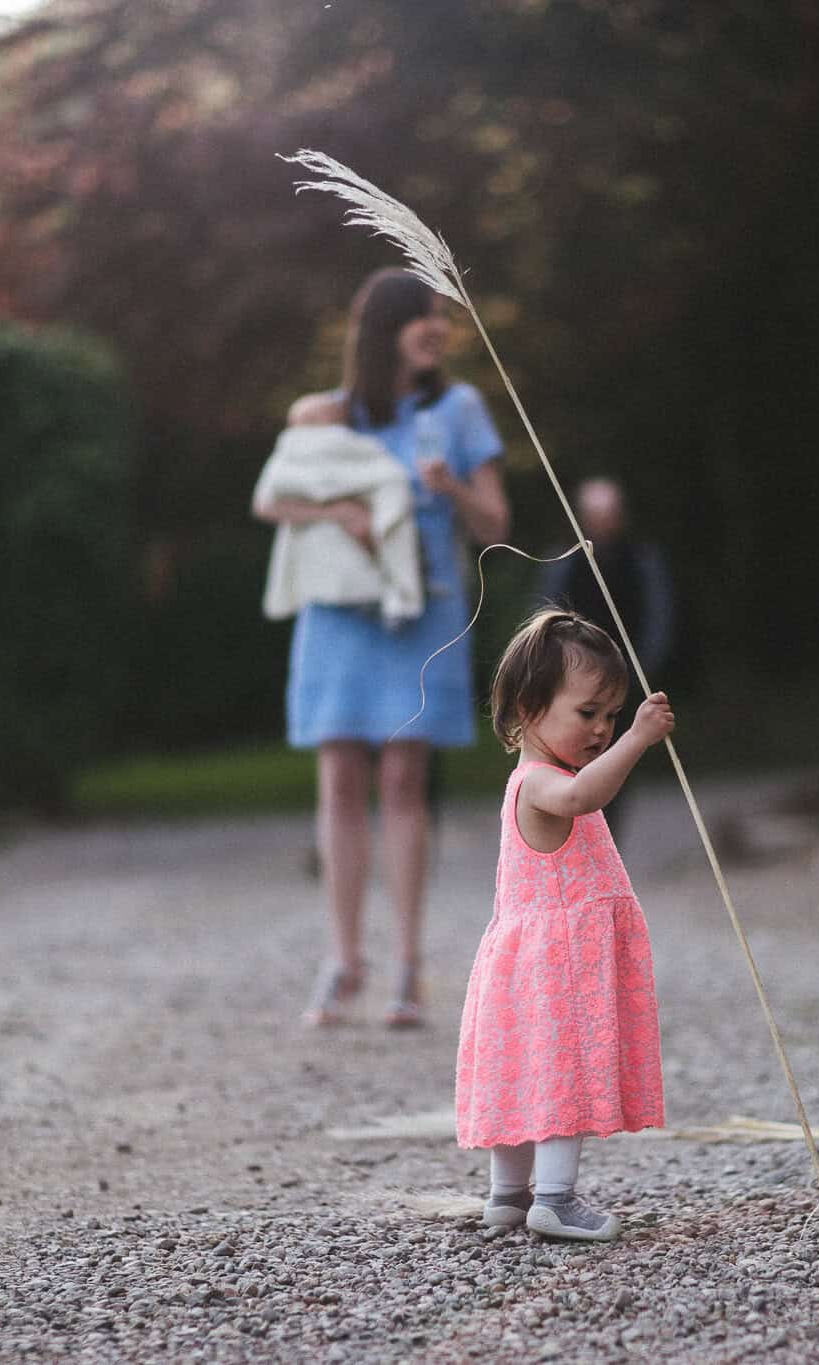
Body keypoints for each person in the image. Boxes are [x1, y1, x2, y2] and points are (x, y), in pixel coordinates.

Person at [254, 267, 509, 1028]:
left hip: (421, 611)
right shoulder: (327, 415)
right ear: (384, 328)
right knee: (337, 776)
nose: (435, 329)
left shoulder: (461, 410)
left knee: (402, 779)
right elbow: (271, 500)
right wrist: (337, 511)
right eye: (421, 316)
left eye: (438, 317)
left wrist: (450, 488)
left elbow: (496, 524)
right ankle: (343, 958)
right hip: (339, 610)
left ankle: (406, 963)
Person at [455, 609, 673, 1241]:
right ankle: (553, 1198)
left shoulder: (548, 775)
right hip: (557, 967)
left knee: (529, 1070)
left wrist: (620, 737)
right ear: (528, 708)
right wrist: (638, 739)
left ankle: (509, 1195)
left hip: (538, 959)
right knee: (560, 1075)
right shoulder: (542, 783)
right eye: (588, 714)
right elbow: (584, 800)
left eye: (611, 716)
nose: (603, 730)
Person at [537, 478, 676, 844]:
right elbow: (546, 618)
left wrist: (642, 669)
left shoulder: (642, 560)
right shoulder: (564, 562)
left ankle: (606, 839)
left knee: (618, 757)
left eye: (609, 514)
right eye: (595, 515)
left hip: (626, 681)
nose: (603, 523)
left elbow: (658, 617)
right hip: (573, 684)